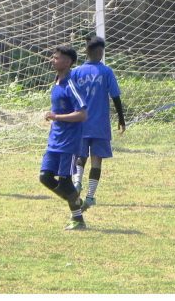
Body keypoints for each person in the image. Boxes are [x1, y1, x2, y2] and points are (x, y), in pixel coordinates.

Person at [71, 36, 126, 212]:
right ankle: (90, 196)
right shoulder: (106, 72)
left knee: (80, 157)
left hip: (80, 123)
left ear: (86, 52)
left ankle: (77, 183)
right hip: (100, 124)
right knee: (97, 160)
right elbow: (115, 96)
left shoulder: (76, 72)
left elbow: (69, 97)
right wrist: (121, 118)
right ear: (101, 52)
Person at [40, 45, 89, 229]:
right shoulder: (56, 82)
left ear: (68, 62)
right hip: (55, 140)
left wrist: (57, 117)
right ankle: (76, 201)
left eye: (57, 57)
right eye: (53, 57)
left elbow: (82, 114)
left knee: (65, 181)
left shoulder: (71, 85)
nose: (53, 59)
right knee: (45, 177)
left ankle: (77, 219)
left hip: (69, 142)